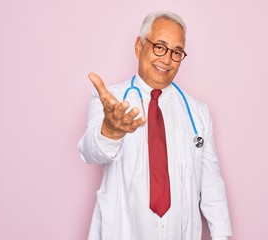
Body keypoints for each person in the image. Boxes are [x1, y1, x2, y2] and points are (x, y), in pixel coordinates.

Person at [78, 11, 232, 240]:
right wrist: (110, 131)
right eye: (160, 47)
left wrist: (220, 235)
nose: (167, 59)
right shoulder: (110, 99)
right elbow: (90, 152)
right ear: (139, 47)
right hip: (123, 231)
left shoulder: (197, 112)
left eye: (177, 52)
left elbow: (210, 184)